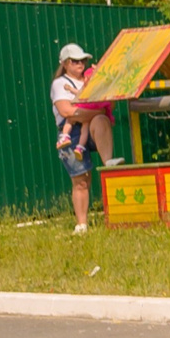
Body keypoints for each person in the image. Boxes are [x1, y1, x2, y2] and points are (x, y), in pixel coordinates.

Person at [50, 42, 113, 233]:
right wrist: (94, 111)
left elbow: (107, 105)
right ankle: (82, 224)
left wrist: (101, 78)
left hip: (87, 123)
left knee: (101, 120)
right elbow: (66, 111)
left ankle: (109, 164)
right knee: (81, 180)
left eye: (82, 60)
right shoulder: (60, 84)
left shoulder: (90, 79)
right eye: (75, 61)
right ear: (65, 64)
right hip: (71, 131)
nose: (80, 64)